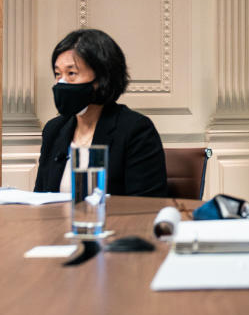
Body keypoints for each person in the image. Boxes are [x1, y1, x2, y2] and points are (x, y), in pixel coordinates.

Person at [34, 28, 167, 197]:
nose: (62, 82)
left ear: (101, 77)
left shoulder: (135, 130)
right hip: (57, 223)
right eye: (58, 74)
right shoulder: (54, 130)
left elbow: (146, 206)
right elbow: (39, 198)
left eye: (71, 73)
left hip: (111, 223)